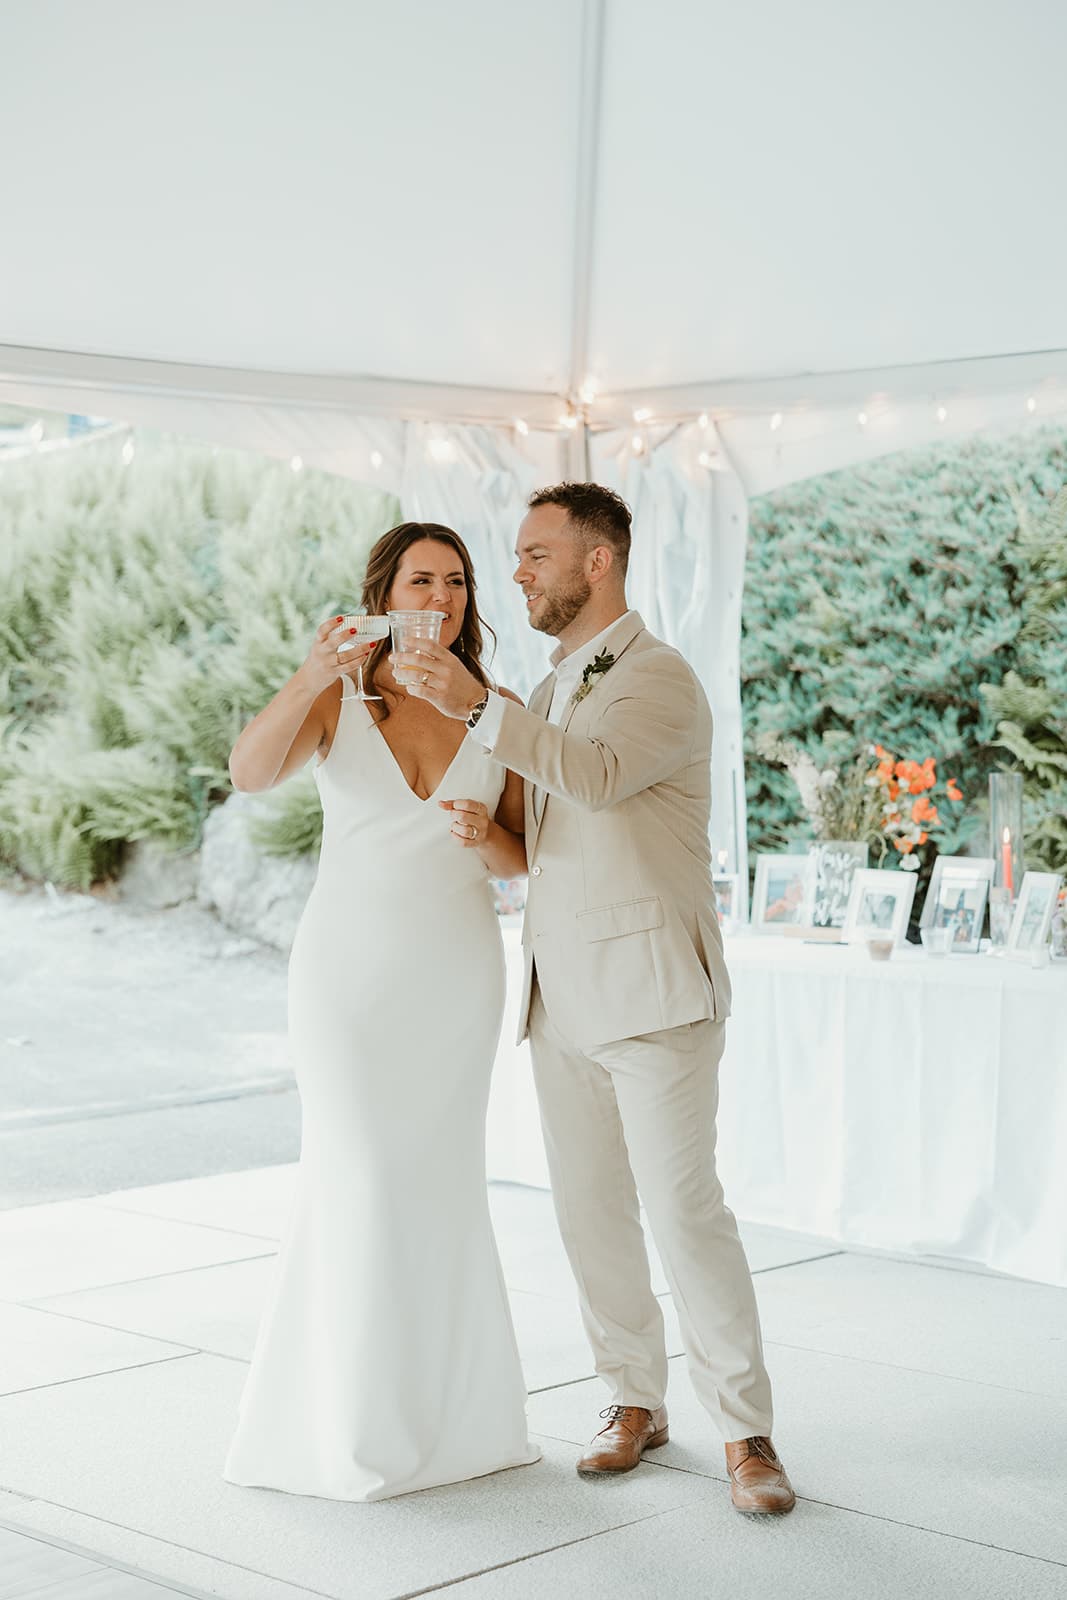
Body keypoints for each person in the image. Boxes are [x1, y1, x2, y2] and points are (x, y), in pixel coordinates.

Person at [398, 482, 795, 1515]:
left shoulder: (657, 677)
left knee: (683, 1212)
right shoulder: (552, 682)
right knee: (588, 1216)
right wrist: (479, 831)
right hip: (558, 995)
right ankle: (632, 1400)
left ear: (597, 562)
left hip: (655, 996)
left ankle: (744, 1429)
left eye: (535, 553)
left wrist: (477, 707)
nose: (516, 569)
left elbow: (602, 776)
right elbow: (546, 843)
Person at [222, 521, 540, 1501]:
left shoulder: (500, 709)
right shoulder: (340, 695)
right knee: (357, 1171)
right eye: (418, 579)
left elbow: (520, 858)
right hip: (348, 975)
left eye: (453, 581)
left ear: (466, 600)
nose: (436, 597)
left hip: (455, 973)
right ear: (384, 591)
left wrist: (485, 832)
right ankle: (348, 1427)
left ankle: (458, 1424)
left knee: (437, 1182)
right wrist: (310, 670)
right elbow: (249, 772)